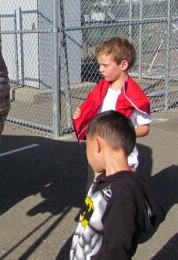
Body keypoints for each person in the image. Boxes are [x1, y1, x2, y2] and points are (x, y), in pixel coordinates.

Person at [70, 111, 164, 260]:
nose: (86, 154)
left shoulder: (121, 195)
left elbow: (116, 250)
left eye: (87, 146)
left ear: (97, 144)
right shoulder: (104, 179)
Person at [73, 37, 151, 171]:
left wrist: (123, 133)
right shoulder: (101, 88)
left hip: (122, 161)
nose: (100, 69)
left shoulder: (134, 97)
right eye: (100, 65)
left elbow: (145, 128)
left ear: (123, 65)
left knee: (120, 191)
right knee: (93, 191)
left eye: (105, 65)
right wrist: (81, 115)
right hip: (99, 157)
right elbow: (93, 114)